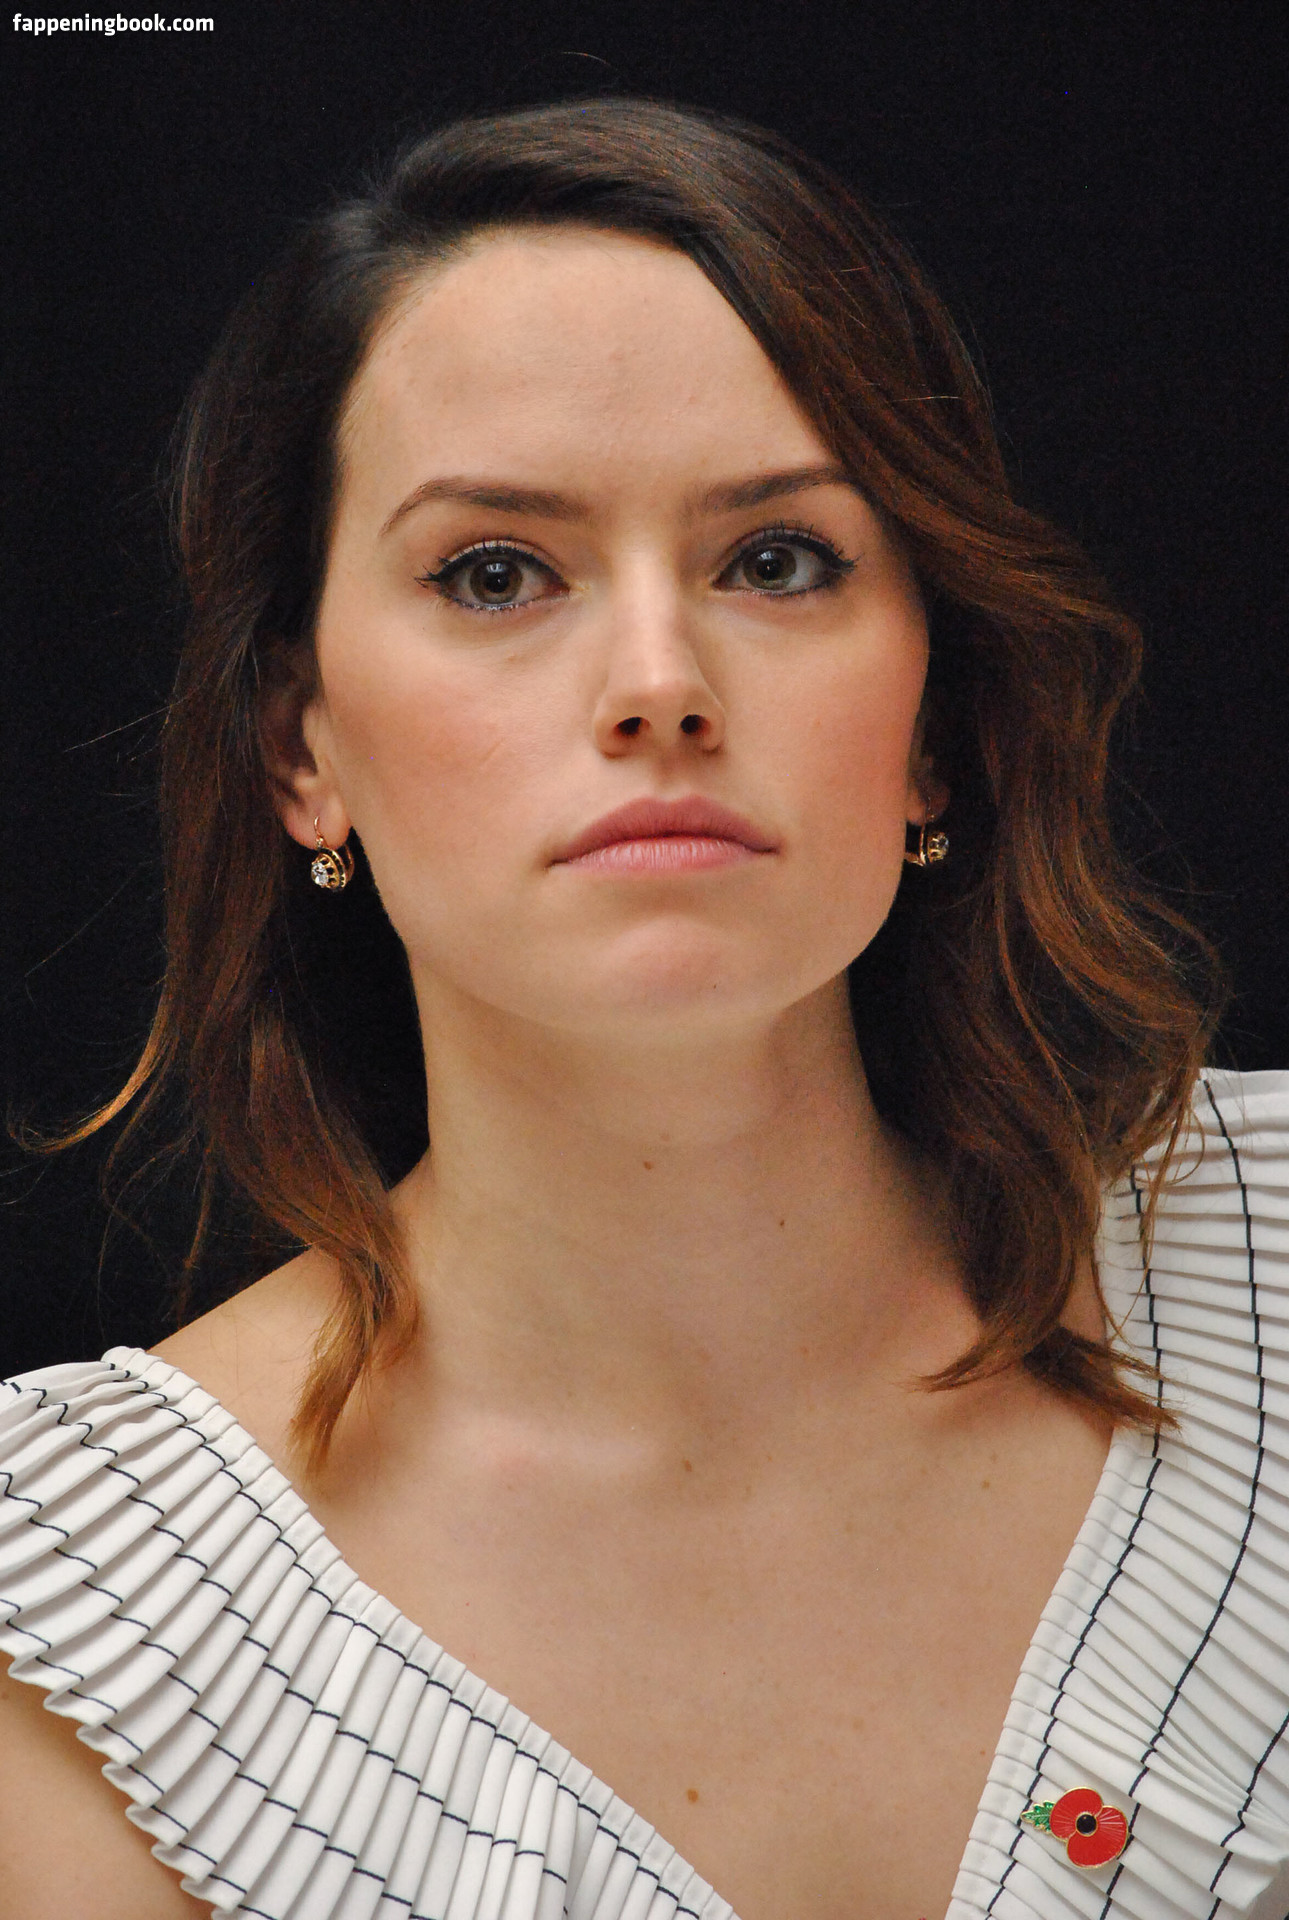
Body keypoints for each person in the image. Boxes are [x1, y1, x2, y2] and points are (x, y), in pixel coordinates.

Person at [0, 96, 1284, 1920]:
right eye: (495, 574)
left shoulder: (1266, 1281)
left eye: (776, 560)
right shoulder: (85, 1618)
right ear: (300, 749)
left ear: (936, 724)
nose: (658, 684)